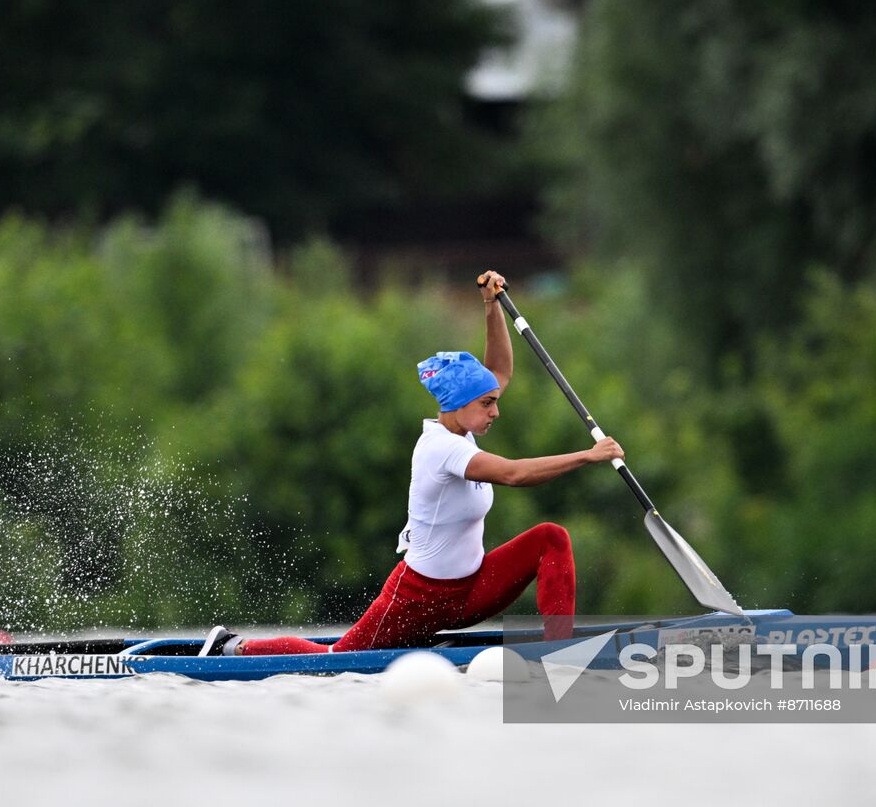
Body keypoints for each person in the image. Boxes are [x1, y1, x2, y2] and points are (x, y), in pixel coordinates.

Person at [200, 270, 624, 656]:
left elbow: (499, 371)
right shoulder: (442, 449)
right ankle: (232, 648)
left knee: (550, 538)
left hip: (471, 588)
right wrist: (588, 455)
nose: (496, 411)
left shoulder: (464, 426)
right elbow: (514, 474)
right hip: (417, 598)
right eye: (488, 404)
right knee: (335, 659)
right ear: (458, 405)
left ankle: (560, 651)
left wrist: (491, 307)